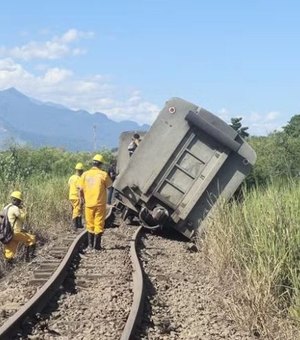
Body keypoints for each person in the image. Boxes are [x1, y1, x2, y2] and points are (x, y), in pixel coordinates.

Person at [79, 154, 112, 250]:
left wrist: (82, 199)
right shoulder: (103, 174)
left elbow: (80, 189)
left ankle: (90, 245)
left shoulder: (85, 174)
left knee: (90, 224)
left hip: (88, 204)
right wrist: (109, 201)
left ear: (93, 163)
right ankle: (97, 246)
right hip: (100, 204)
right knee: (99, 223)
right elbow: (110, 187)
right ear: (100, 164)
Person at [3, 191, 36, 263]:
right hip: (16, 232)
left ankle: (9, 266)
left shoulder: (6, 208)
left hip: (8, 233)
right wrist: (24, 210)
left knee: (10, 251)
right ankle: (30, 259)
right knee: (31, 238)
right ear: (16, 200)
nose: (20, 202)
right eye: (19, 201)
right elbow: (23, 217)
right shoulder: (15, 208)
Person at [68, 162, 84, 231]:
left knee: (77, 210)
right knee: (76, 210)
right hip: (76, 196)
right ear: (80, 171)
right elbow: (80, 189)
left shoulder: (71, 177)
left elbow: (69, 185)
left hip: (71, 196)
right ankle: (74, 226)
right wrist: (81, 198)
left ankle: (79, 224)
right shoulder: (78, 178)